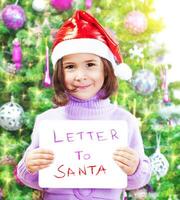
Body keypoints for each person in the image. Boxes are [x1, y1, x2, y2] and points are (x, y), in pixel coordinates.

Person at [17, 10, 151, 200]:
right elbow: (32, 178)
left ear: (106, 69)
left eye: (90, 64)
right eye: (70, 67)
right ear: (60, 74)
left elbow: (139, 179)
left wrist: (136, 167)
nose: (80, 76)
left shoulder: (124, 120)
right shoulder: (47, 121)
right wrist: (29, 166)